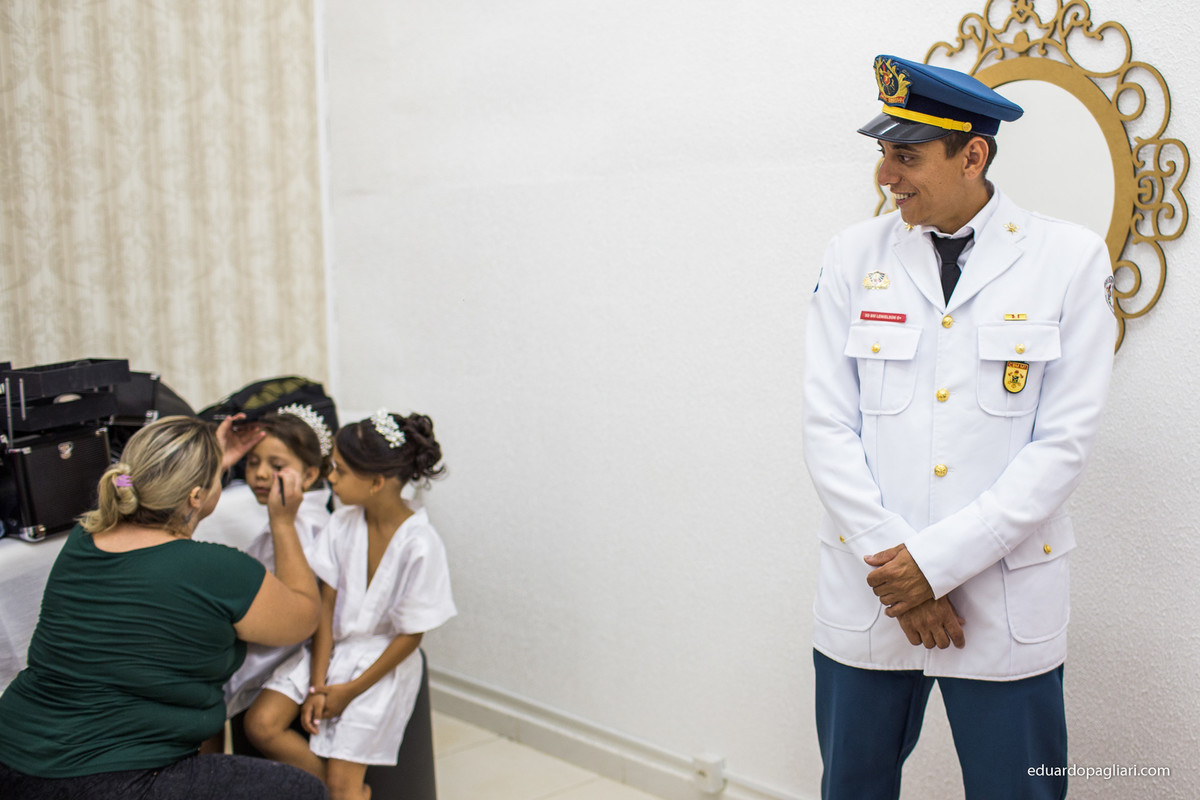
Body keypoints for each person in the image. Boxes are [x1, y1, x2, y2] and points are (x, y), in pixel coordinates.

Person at [803, 55, 1116, 799]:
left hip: (1000, 598)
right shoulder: (852, 257)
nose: (886, 174)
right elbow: (826, 426)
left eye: (905, 155)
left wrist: (935, 568)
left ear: (972, 154)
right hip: (872, 592)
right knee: (853, 787)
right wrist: (902, 575)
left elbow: (1062, 445)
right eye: (883, 152)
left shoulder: (1068, 260)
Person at [0, 415, 328, 800]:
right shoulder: (217, 569)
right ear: (196, 496)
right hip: (103, 780)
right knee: (302, 791)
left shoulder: (85, 536)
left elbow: (166, 500)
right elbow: (304, 617)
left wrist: (210, 462)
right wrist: (283, 522)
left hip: (12, 757)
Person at [244, 409, 456, 800]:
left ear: (376, 482)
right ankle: (344, 791)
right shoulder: (342, 525)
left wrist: (348, 691)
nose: (331, 478)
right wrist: (319, 683)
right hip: (329, 650)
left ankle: (347, 790)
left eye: (339, 471)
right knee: (260, 724)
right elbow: (324, 608)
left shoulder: (421, 545)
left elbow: (411, 637)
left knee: (344, 783)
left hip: (379, 666)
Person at [222, 405, 335, 720]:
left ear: (310, 474)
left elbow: (294, 607)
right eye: (253, 462)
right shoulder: (290, 517)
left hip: (291, 643)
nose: (259, 474)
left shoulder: (302, 525)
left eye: (276, 465)